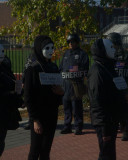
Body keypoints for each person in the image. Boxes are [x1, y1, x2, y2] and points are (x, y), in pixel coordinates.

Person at [24, 35, 64, 160]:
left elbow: (58, 93)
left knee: (46, 150)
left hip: (51, 114)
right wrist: (35, 119)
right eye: (47, 48)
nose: (51, 51)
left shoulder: (53, 67)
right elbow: (28, 96)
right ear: (39, 49)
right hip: (39, 115)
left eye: (52, 48)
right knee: (35, 149)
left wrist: (60, 93)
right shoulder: (33, 69)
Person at [87, 38, 127, 160]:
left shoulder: (108, 67)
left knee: (110, 153)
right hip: (105, 122)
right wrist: (104, 127)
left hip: (112, 119)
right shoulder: (97, 71)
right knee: (106, 154)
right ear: (102, 50)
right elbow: (97, 100)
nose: (114, 50)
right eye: (111, 48)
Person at [59, 33, 89, 135]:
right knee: (66, 106)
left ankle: (78, 127)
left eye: (72, 42)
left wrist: (71, 70)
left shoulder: (82, 54)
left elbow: (84, 68)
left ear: (77, 42)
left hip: (76, 85)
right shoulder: (66, 54)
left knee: (77, 107)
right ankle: (67, 126)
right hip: (66, 85)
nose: (70, 44)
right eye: (69, 42)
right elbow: (61, 68)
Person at [0, 44, 22, 157]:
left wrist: (18, 94)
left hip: (5, 113)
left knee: (1, 142)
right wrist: (12, 94)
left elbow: (12, 82)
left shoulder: (5, 68)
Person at [107, 32, 128, 141]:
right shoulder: (109, 56)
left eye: (111, 43)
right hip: (113, 88)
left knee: (124, 111)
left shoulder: (125, 55)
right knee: (114, 111)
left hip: (124, 88)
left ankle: (125, 131)